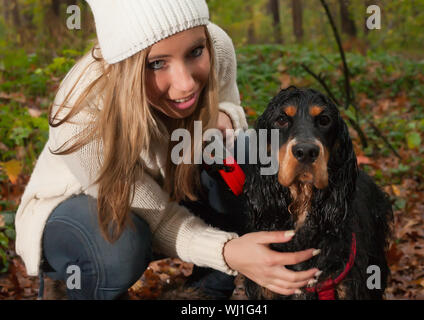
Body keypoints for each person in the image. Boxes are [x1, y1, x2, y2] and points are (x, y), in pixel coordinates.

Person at [15, 0, 321, 300]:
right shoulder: (82, 110)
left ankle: (204, 292)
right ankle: (71, 284)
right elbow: (157, 216)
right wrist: (227, 251)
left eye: (195, 52)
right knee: (118, 249)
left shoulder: (217, 46)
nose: (186, 83)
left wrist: (225, 116)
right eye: (156, 63)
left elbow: (231, 113)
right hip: (85, 208)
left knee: (247, 152)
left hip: (174, 182)